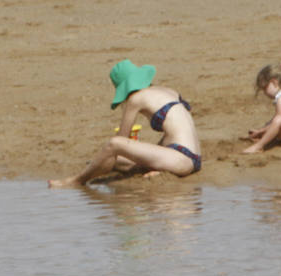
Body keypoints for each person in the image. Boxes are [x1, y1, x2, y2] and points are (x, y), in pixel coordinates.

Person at [50, 60, 202, 188]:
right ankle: (160, 169)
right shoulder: (169, 91)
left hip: (180, 158)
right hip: (193, 158)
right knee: (119, 161)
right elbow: (178, 128)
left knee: (113, 145)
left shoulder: (135, 99)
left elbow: (121, 141)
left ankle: (76, 181)